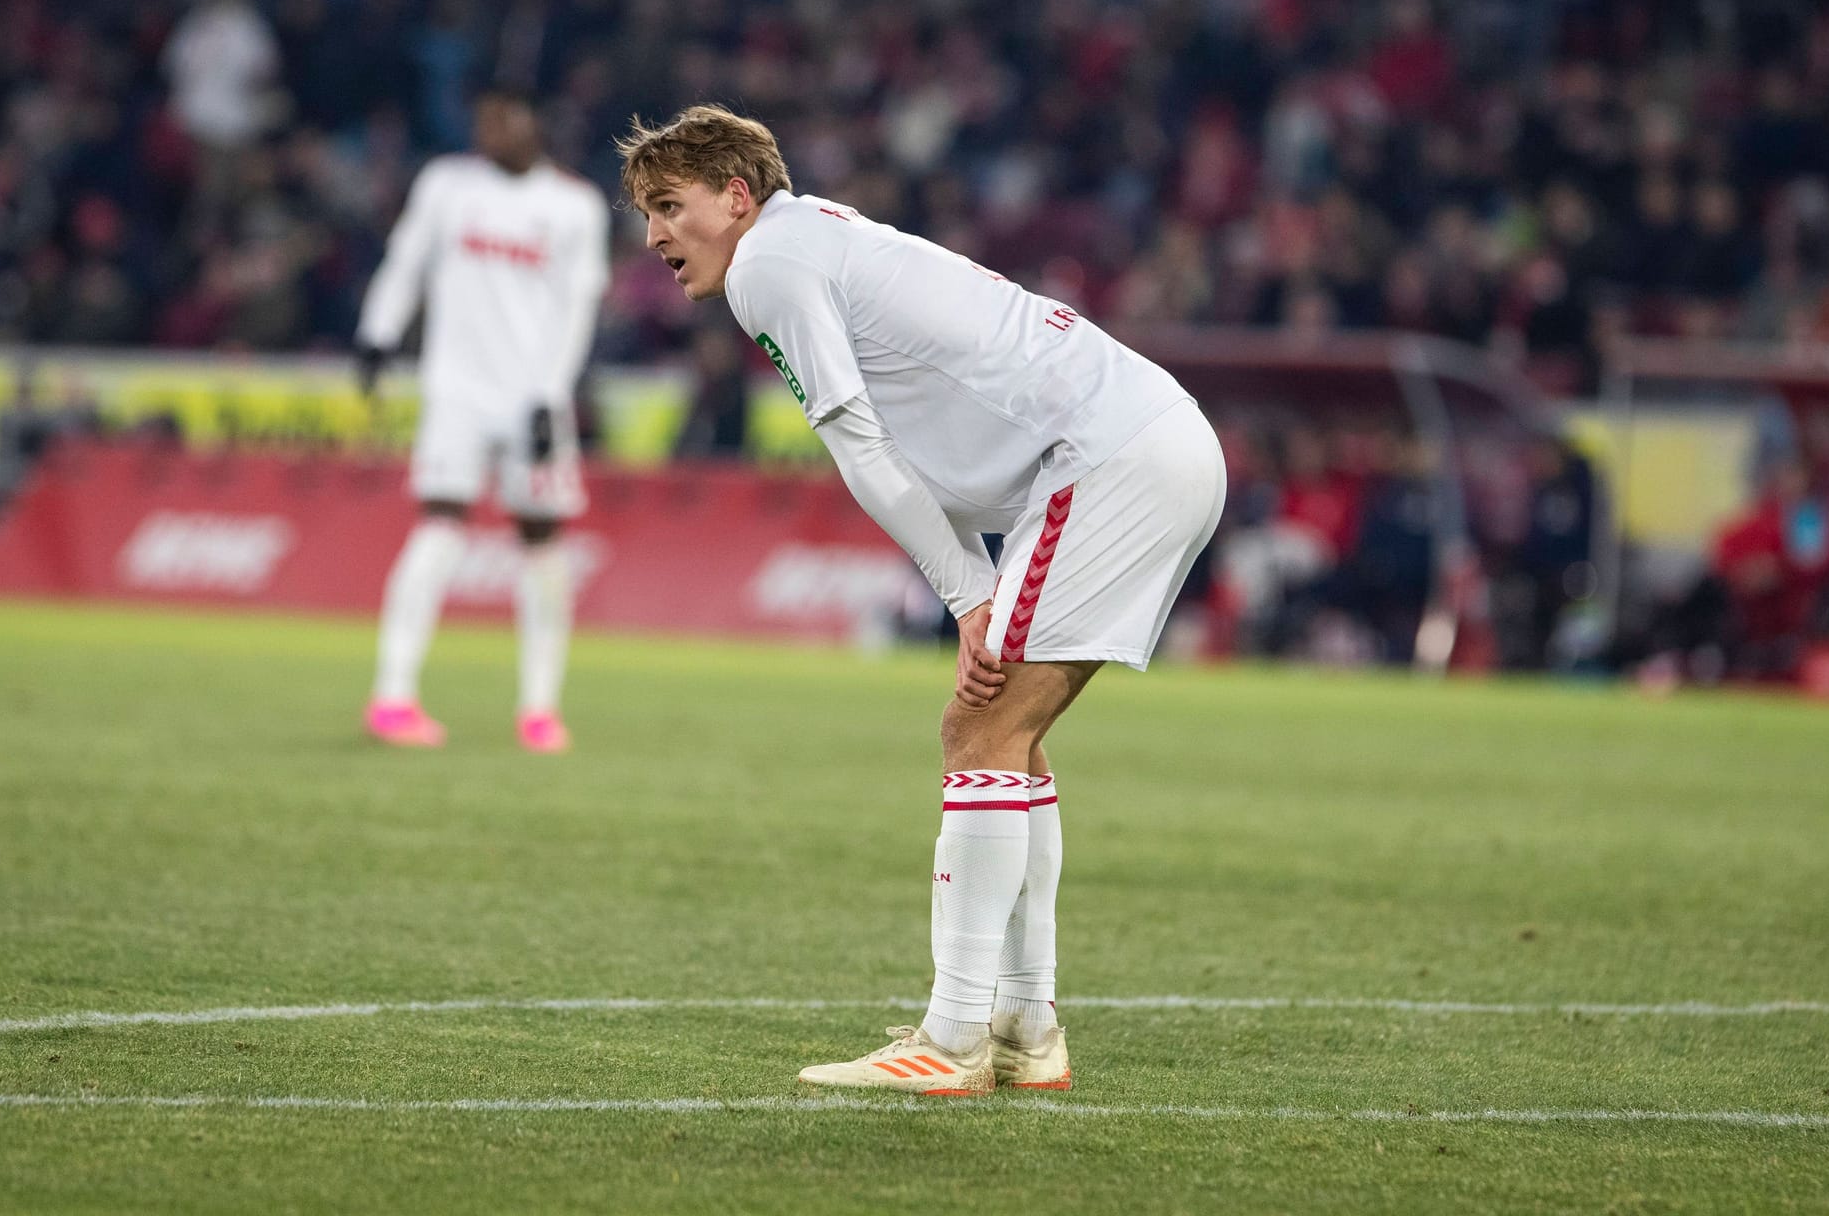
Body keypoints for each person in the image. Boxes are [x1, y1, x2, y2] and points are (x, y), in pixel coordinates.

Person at [618, 105, 1226, 1094]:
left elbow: (858, 442)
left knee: (975, 728)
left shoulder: (771, 263)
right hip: (1139, 439)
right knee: (1010, 736)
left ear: (736, 197)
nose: (654, 237)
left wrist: (968, 590)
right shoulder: (819, 235)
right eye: (646, 215)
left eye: (669, 206)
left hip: (1108, 457)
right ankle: (1026, 1026)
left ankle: (953, 1037)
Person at [357, 87, 610, 752]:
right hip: (456, 390)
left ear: (535, 123)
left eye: (505, 118)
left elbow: (576, 308)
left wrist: (550, 393)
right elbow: (406, 260)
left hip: (533, 394)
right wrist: (378, 332)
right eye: (484, 120)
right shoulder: (446, 185)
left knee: (543, 539)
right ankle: (392, 696)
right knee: (440, 519)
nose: (492, 131)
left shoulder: (574, 206)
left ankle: (538, 708)